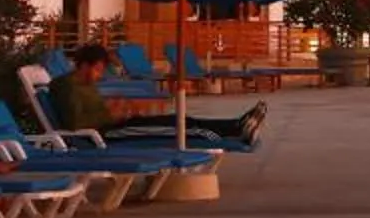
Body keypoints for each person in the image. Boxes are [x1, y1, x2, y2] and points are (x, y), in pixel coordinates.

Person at [61, 41, 267, 148]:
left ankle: (236, 124)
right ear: (84, 65)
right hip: (104, 135)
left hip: (117, 125)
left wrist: (116, 111)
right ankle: (232, 133)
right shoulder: (66, 86)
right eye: (96, 70)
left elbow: (94, 112)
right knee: (177, 131)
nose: (98, 76)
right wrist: (111, 114)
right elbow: (75, 122)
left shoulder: (85, 84)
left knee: (177, 119)